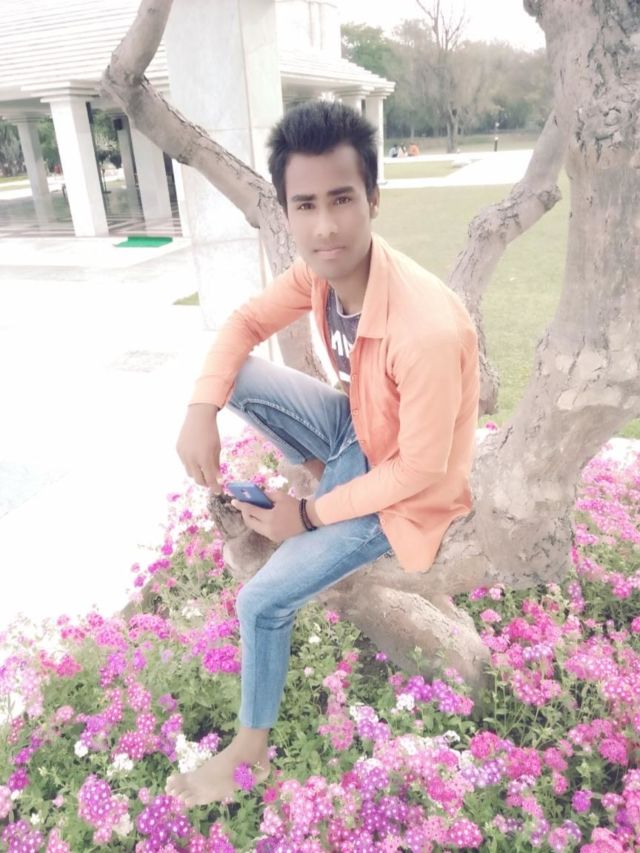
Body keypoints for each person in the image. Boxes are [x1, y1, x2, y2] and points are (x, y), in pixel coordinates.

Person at [165, 100, 479, 807]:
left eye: (342, 199)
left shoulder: (423, 329)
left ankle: (249, 753)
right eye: (305, 205)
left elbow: (419, 471)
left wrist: (306, 516)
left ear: (373, 199)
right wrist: (200, 409)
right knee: (235, 376)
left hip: (404, 494)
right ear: (287, 212)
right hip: (360, 431)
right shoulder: (320, 275)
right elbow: (245, 322)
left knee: (260, 601)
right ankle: (318, 483)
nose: (325, 226)